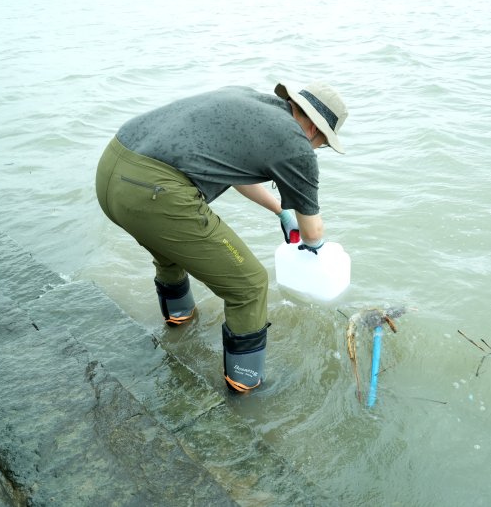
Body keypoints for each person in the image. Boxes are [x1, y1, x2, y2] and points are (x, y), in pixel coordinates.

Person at [95, 81, 348, 393]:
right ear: (314, 128)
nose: (315, 149)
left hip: (113, 170)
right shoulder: (295, 142)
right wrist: (316, 249)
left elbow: (234, 173)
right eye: (322, 143)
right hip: (152, 193)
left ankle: (179, 325)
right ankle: (245, 384)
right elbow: (313, 230)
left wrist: (280, 210)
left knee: (170, 249)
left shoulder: (246, 99)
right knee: (251, 285)